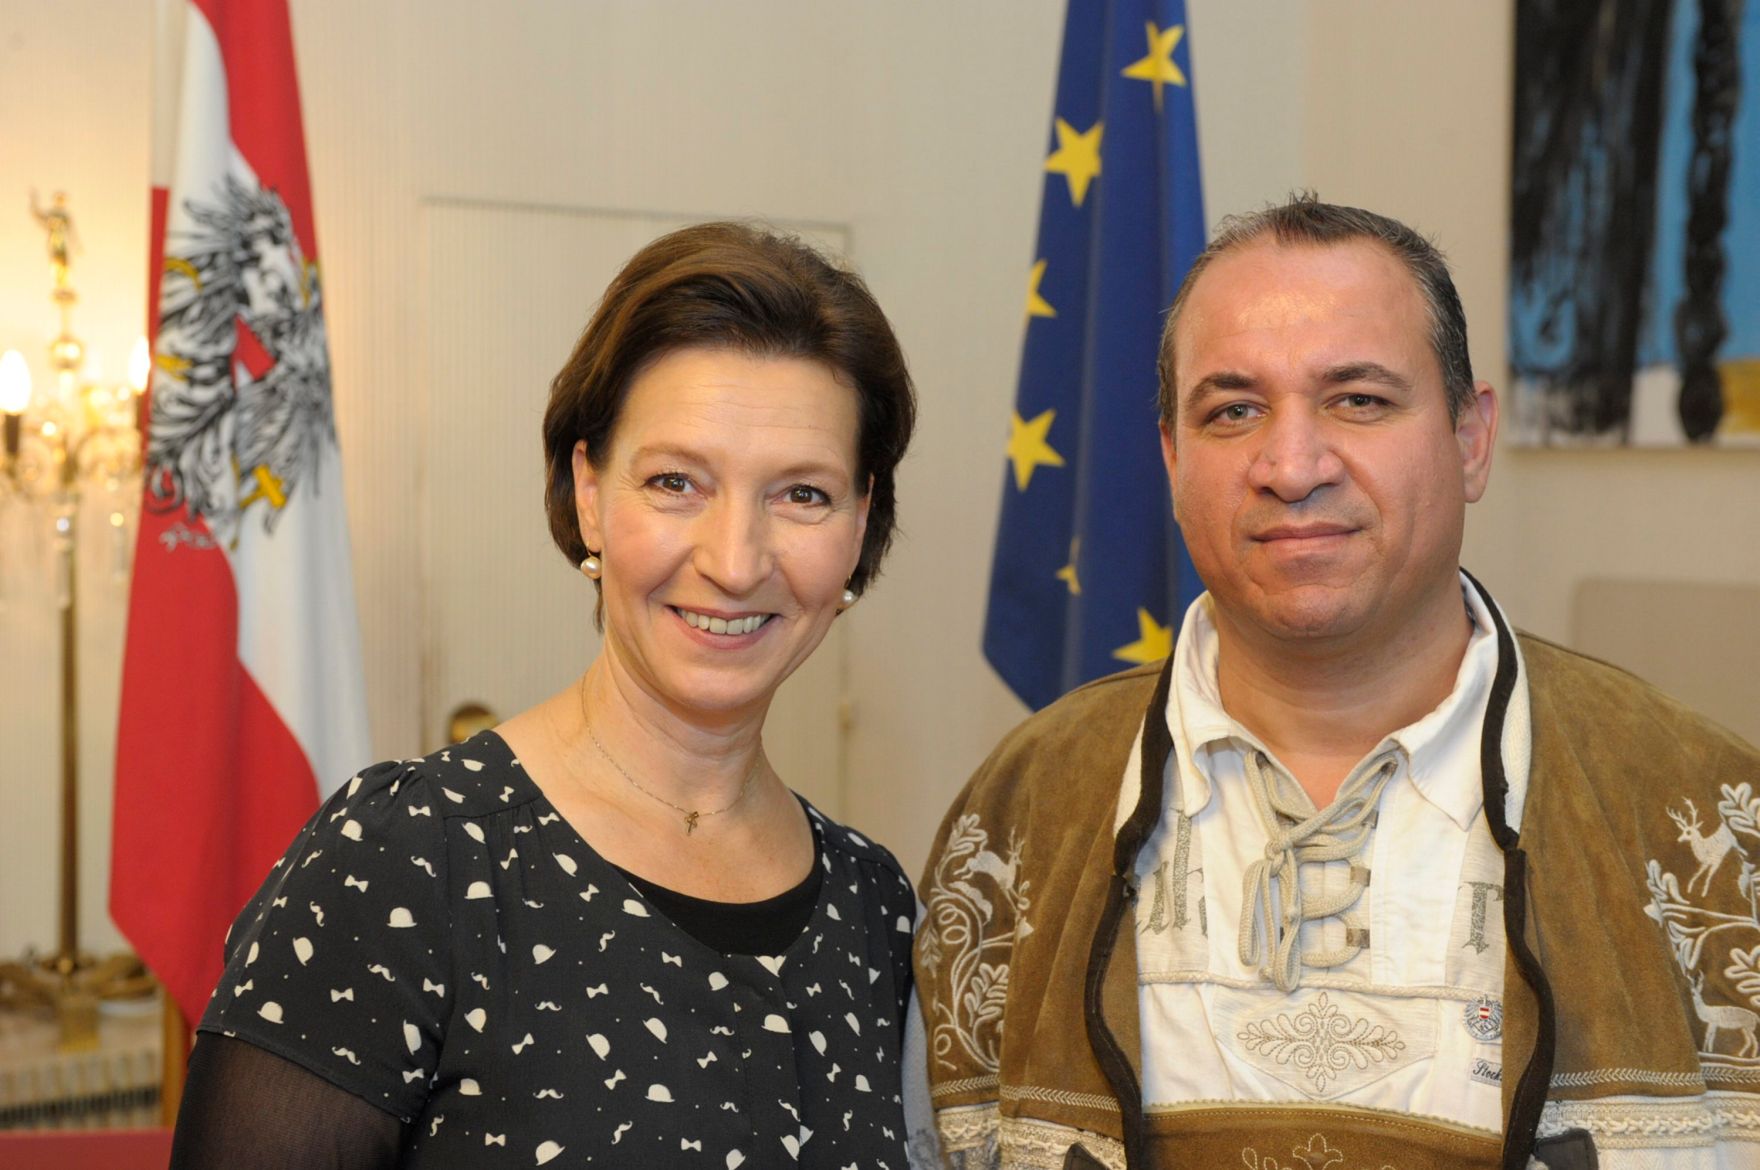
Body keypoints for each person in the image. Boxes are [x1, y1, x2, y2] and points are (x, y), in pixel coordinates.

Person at [915, 195, 1760, 1169]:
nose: (1289, 464)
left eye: (1357, 399)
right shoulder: (1025, 805)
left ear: (1469, 437)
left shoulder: (1702, 811)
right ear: (1170, 458)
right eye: (1231, 411)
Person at [170, 222, 925, 1168]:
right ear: (589, 492)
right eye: (676, 481)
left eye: (802, 495)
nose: (735, 562)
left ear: (862, 524)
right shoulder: (408, 863)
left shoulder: (878, 910)